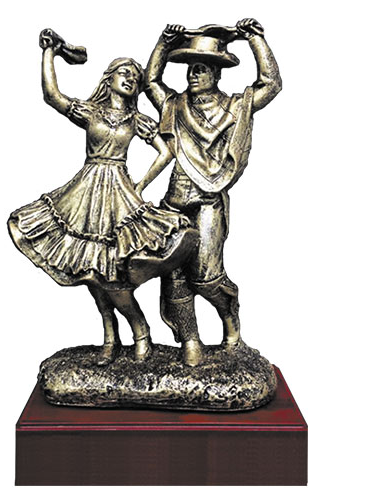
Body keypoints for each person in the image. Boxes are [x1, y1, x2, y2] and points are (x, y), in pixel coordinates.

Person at [8, 29, 194, 366]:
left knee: (112, 272)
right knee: (91, 270)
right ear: (109, 78)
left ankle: (140, 330)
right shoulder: (91, 112)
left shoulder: (136, 119)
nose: (131, 79)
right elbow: (52, 95)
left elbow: (166, 152)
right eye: (124, 72)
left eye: (135, 77)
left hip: (119, 193)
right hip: (85, 192)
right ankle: (111, 335)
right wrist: (49, 52)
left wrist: (140, 185)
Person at [142, 19, 282, 366]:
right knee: (173, 274)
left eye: (201, 69)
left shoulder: (235, 107)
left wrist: (256, 39)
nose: (193, 74)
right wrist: (163, 43)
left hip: (208, 201)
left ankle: (230, 321)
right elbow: (150, 81)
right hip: (175, 203)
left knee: (205, 277)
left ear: (216, 74)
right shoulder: (174, 105)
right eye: (190, 68)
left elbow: (271, 84)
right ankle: (191, 341)